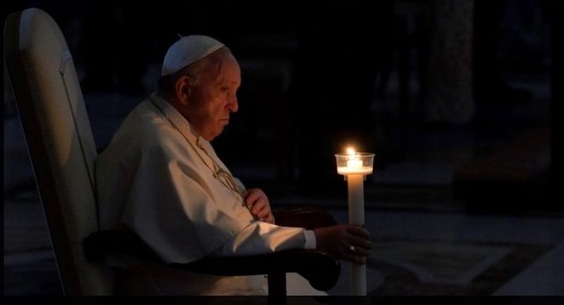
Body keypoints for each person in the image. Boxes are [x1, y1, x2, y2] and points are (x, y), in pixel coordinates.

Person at [95, 34, 372, 296]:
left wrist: (249, 200)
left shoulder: (172, 127)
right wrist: (315, 240)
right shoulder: (156, 146)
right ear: (185, 89)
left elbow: (213, 214)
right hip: (202, 288)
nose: (235, 106)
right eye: (224, 90)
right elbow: (220, 242)